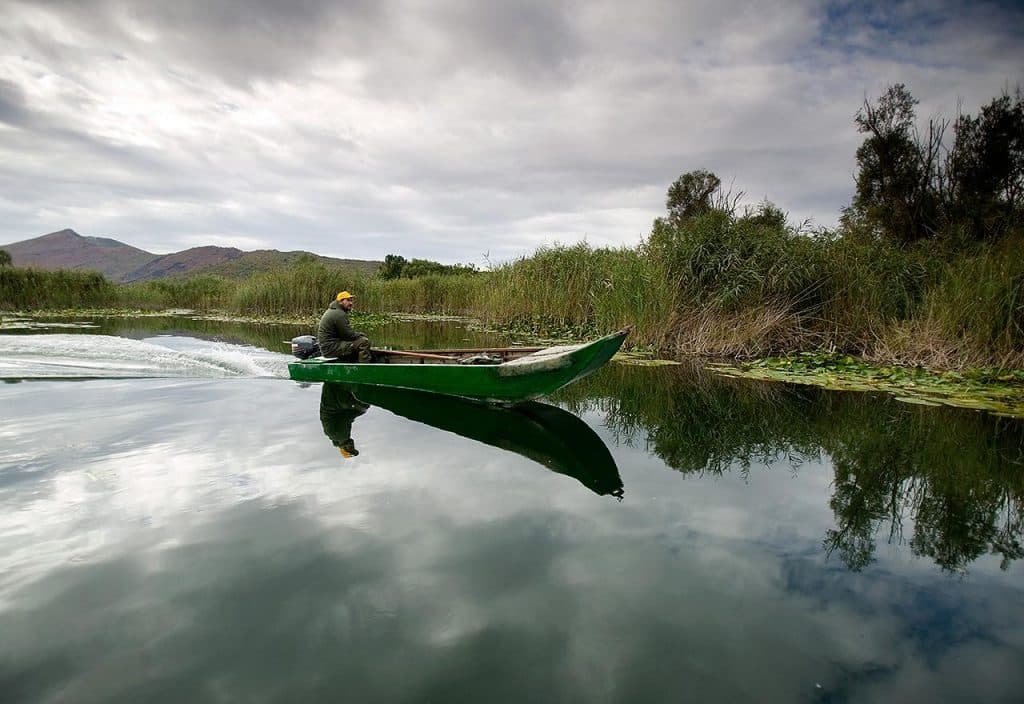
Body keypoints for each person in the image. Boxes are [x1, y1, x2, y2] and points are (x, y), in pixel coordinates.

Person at [317, 290, 372, 362]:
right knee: (364, 342)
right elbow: (348, 335)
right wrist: (362, 335)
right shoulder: (339, 314)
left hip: (329, 347)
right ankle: (363, 367)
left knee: (359, 342)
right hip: (331, 349)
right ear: (340, 301)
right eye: (348, 300)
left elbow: (345, 335)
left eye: (351, 301)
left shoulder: (335, 311)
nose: (351, 303)